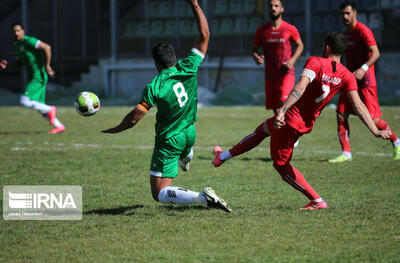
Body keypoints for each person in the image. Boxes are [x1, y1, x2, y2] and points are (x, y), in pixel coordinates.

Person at [212, 32, 390, 210]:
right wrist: (375, 130)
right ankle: (223, 156)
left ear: (326, 47)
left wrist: (283, 110)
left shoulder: (315, 62)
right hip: (304, 122)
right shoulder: (347, 75)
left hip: (291, 120)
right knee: (262, 130)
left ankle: (317, 200)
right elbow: (359, 105)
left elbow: (301, 86)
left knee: (281, 165)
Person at [102, 0, 230, 212]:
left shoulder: (156, 85)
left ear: (155, 63)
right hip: (190, 132)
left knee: (159, 193)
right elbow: (204, 36)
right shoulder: (188, 66)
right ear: (174, 58)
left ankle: (203, 197)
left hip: (169, 141)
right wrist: (196, 6)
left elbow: (136, 116)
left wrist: (116, 128)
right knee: (184, 149)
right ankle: (186, 156)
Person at [329, 1, 400, 163]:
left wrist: (363, 68)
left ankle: (396, 141)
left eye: (348, 13)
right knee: (341, 114)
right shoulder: (345, 34)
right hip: (350, 81)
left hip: (366, 81)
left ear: (355, 13)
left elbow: (375, 53)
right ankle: (346, 153)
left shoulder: (363, 31)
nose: (345, 17)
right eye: (343, 14)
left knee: (374, 120)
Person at [0, 23, 65, 134]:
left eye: (18, 30)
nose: (16, 33)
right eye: (13, 32)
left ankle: (51, 109)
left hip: (39, 76)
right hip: (34, 77)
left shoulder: (29, 41)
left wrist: (48, 65)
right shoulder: (16, 45)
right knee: (39, 106)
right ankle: (59, 126)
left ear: (23, 31)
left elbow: (47, 47)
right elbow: (20, 63)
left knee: (24, 100)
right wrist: (8, 65)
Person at [252, 0, 304, 114]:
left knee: (283, 103)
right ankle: (281, 131)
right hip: (270, 75)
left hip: (286, 74)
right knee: (276, 110)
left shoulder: (289, 28)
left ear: (282, 9)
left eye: (276, 6)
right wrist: (256, 58)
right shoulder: (262, 30)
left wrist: (292, 60)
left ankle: (288, 129)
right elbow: (254, 50)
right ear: (268, 9)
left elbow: (300, 45)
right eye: (271, 6)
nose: (273, 8)